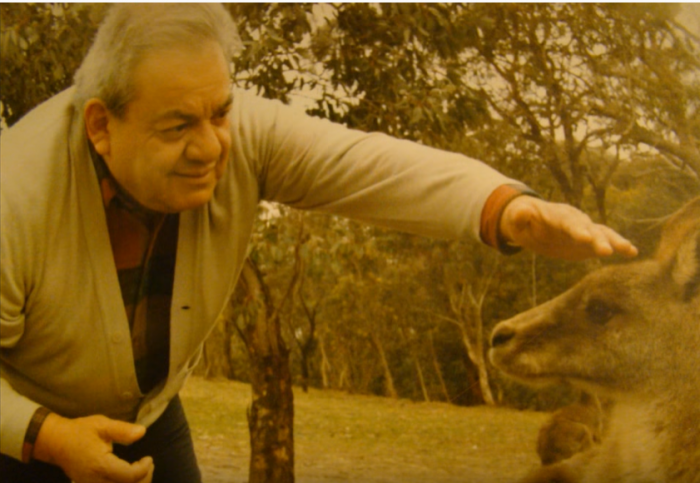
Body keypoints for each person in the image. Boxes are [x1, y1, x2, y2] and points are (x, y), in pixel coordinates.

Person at [0, 4, 638, 483]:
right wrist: (47, 436)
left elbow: (366, 164)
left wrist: (505, 209)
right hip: (22, 427)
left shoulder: (237, 134)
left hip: (149, 414)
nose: (211, 145)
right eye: (177, 127)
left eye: (220, 112)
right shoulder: (15, 193)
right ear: (102, 126)